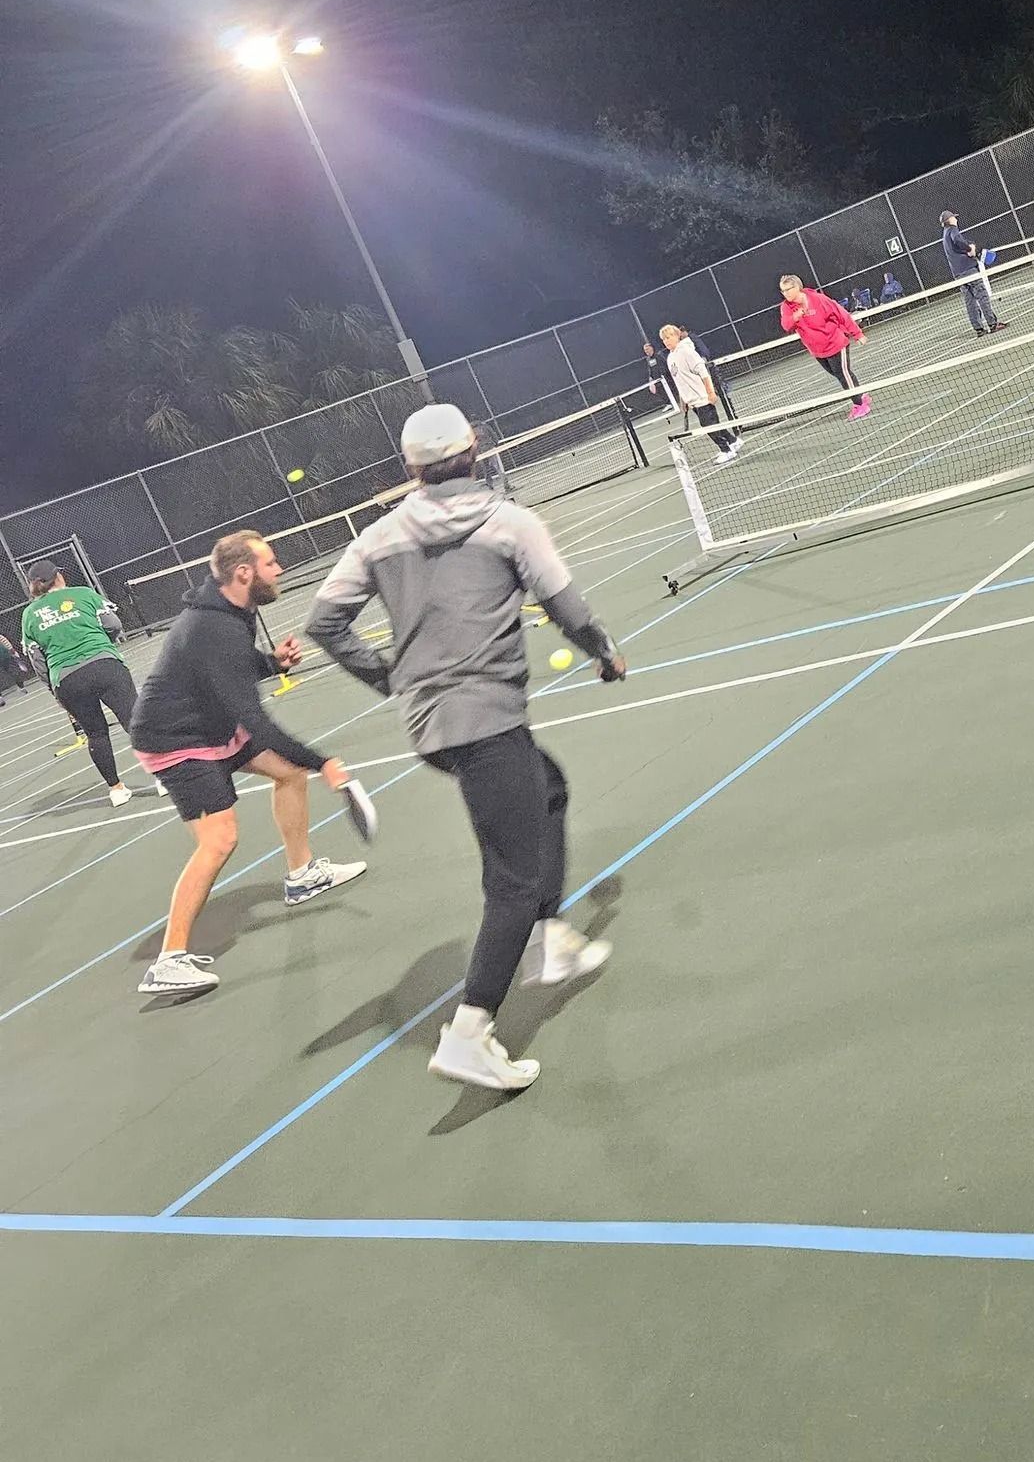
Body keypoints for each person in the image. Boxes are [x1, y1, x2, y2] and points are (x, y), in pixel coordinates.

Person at [308, 404, 628, 1094]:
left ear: (410, 469)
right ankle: (470, 1030)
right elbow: (568, 609)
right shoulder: (508, 520)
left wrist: (386, 674)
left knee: (548, 789)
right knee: (510, 878)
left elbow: (323, 620)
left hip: (433, 727)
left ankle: (553, 940)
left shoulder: (380, 536)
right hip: (482, 722)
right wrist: (603, 652)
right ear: (474, 448)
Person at [129, 530, 374, 1003]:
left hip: (210, 725)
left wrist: (271, 663)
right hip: (176, 740)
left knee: (288, 773)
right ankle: (168, 961)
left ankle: (302, 876)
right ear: (244, 573)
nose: (278, 569)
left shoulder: (231, 611)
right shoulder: (213, 625)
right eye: (270, 563)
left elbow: (229, 667)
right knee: (220, 839)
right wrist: (323, 761)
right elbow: (255, 721)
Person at [20, 560, 149, 806]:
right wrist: (103, 644)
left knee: (96, 734)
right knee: (135, 721)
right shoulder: (83, 594)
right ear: (58, 577)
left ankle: (116, 789)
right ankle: (163, 778)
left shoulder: (29, 615)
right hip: (105, 665)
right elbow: (113, 625)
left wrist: (55, 689)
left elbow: (37, 661)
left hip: (67, 679)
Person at [778, 274, 871, 418]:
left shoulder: (818, 299)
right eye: (782, 291)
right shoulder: (786, 307)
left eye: (788, 289)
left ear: (797, 287)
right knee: (838, 374)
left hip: (836, 343)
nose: (785, 294)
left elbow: (841, 314)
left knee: (843, 374)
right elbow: (786, 325)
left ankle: (859, 405)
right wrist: (796, 316)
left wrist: (857, 334)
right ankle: (860, 395)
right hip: (817, 350)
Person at [660, 321, 741, 461]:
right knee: (713, 424)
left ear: (677, 336)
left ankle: (726, 450)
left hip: (702, 397)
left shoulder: (686, 351)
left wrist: (710, 392)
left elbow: (703, 372)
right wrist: (683, 401)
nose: (666, 341)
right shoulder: (670, 357)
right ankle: (733, 441)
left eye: (669, 337)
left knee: (708, 426)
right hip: (691, 400)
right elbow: (679, 380)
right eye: (664, 339)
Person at [939, 209, 1004, 335]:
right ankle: (992, 324)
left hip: (958, 273)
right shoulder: (952, 230)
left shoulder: (945, 235)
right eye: (954, 218)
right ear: (950, 220)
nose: (956, 219)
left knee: (970, 301)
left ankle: (979, 329)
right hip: (968, 270)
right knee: (982, 295)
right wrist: (970, 249)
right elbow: (957, 240)